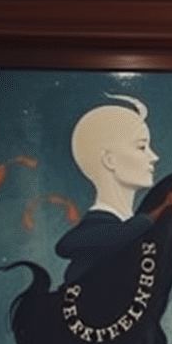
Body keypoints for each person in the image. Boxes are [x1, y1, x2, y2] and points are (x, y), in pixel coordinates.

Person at [55, 96, 159, 284]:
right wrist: (142, 223)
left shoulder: (129, 232)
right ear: (109, 160)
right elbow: (65, 245)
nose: (154, 157)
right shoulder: (94, 235)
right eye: (142, 147)